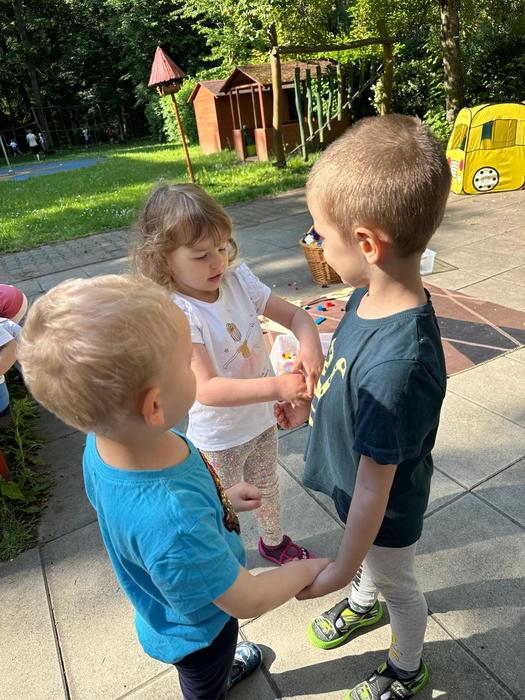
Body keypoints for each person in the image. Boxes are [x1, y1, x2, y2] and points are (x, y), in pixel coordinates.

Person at [17, 275, 331, 699]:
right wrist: (303, 571)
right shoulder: (176, 522)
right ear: (154, 405)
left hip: (180, 595)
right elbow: (249, 599)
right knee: (205, 683)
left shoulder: (107, 444)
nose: (197, 369)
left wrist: (221, 500)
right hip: (200, 634)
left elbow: (162, 506)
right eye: (187, 363)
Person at [275, 114, 450, 700]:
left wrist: (340, 568)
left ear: (368, 244)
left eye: (321, 234)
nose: (315, 244)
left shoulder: (399, 366)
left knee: (396, 581)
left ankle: (406, 666)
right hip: (357, 489)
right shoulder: (365, 295)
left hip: (384, 508)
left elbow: (376, 490)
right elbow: (346, 378)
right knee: (371, 559)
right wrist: (310, 406)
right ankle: (365, 597)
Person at [133, 183, 325, 565]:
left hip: (261, 421)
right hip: (219, 438)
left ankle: (273, 543)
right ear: (163, 259)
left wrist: (310, 344)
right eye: (201, 255)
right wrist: (277, 386)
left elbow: (296, 316)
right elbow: (206, 388)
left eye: (221, 248)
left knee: (268, 487)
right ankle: (222, 560)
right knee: (221, 504)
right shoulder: (180, 312)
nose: (217, 262)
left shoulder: (238, 281)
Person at [0, 284, 28, 422]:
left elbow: (10, 349)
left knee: (25, 357)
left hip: (12, 306)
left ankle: (29, 379)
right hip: (11, 295)